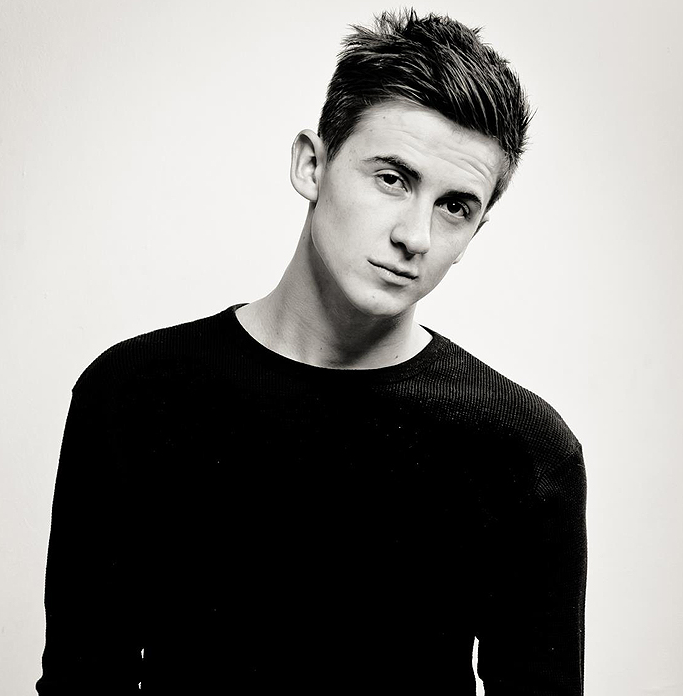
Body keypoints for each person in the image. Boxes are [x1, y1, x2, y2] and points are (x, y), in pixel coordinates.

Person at [36, 9, 587, 695]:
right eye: (392, 178)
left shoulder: (523, 448)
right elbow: (84, 680)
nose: (415, 236)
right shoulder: (135, 394)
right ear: (311, 165)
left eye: (455, 207)